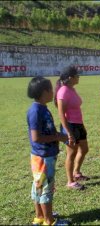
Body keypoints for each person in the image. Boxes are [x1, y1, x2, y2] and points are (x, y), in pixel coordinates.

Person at [27, 77, 69, 225]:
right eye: (51, 90)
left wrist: (59, 137)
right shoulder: (35, 111)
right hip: (43, 156)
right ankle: (49, 220)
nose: (53, 92)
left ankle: (40, 216)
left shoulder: (42, 108)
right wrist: (58, 136)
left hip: (43, 156)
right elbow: (36, 137)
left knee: (39, 185)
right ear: (44, 92)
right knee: (46, 189)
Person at [55, 66, 89, 190]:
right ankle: (70, 181)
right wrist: (69, 132)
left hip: (78, 124)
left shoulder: (72, 89)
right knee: (71, 153)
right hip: (70, 125)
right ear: (70, 77)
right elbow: (61, 114)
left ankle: (77, 172)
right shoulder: (63, 91)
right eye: (77, 75)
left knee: (84, 149)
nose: (79, 77)